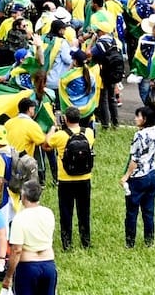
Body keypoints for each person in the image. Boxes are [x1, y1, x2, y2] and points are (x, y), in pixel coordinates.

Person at [46, 107, 93, 250]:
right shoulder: (89, 133)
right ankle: (85, 241)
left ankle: (67, 243)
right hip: (84, 177)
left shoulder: (59, 135)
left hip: (65, 179)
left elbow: (46, 144)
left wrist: (53, 128)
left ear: (65, 119)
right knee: (84, 210)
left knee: (66, 211)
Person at [5, 181, 57, 295]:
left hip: (28, 266)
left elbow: (16, 250)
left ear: (23, 196)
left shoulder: (19, 218)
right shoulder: (48, 213)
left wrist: (8, 276)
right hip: (48, 264)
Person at [122, 104, 155, 248]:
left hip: (138, 177)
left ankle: (130, 242)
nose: (136, 118)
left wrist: (126, 176)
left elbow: (134, 159)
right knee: (148, 211)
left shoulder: (139, 135)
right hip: (151, 173)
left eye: (138, 116)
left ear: (145, 119)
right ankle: (149, 241)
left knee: (132, 212)